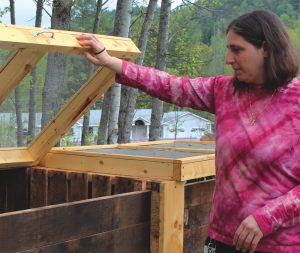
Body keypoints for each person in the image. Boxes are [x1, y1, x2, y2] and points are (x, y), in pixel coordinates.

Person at [76, 10, 300, 253]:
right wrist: (111, 61)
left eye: (237, 50)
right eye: (228, 49)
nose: (228, 58)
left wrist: (267, 218)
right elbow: (170, 85)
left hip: (279, 245)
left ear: (265, 48)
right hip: (222, 240)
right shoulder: (224, 91)